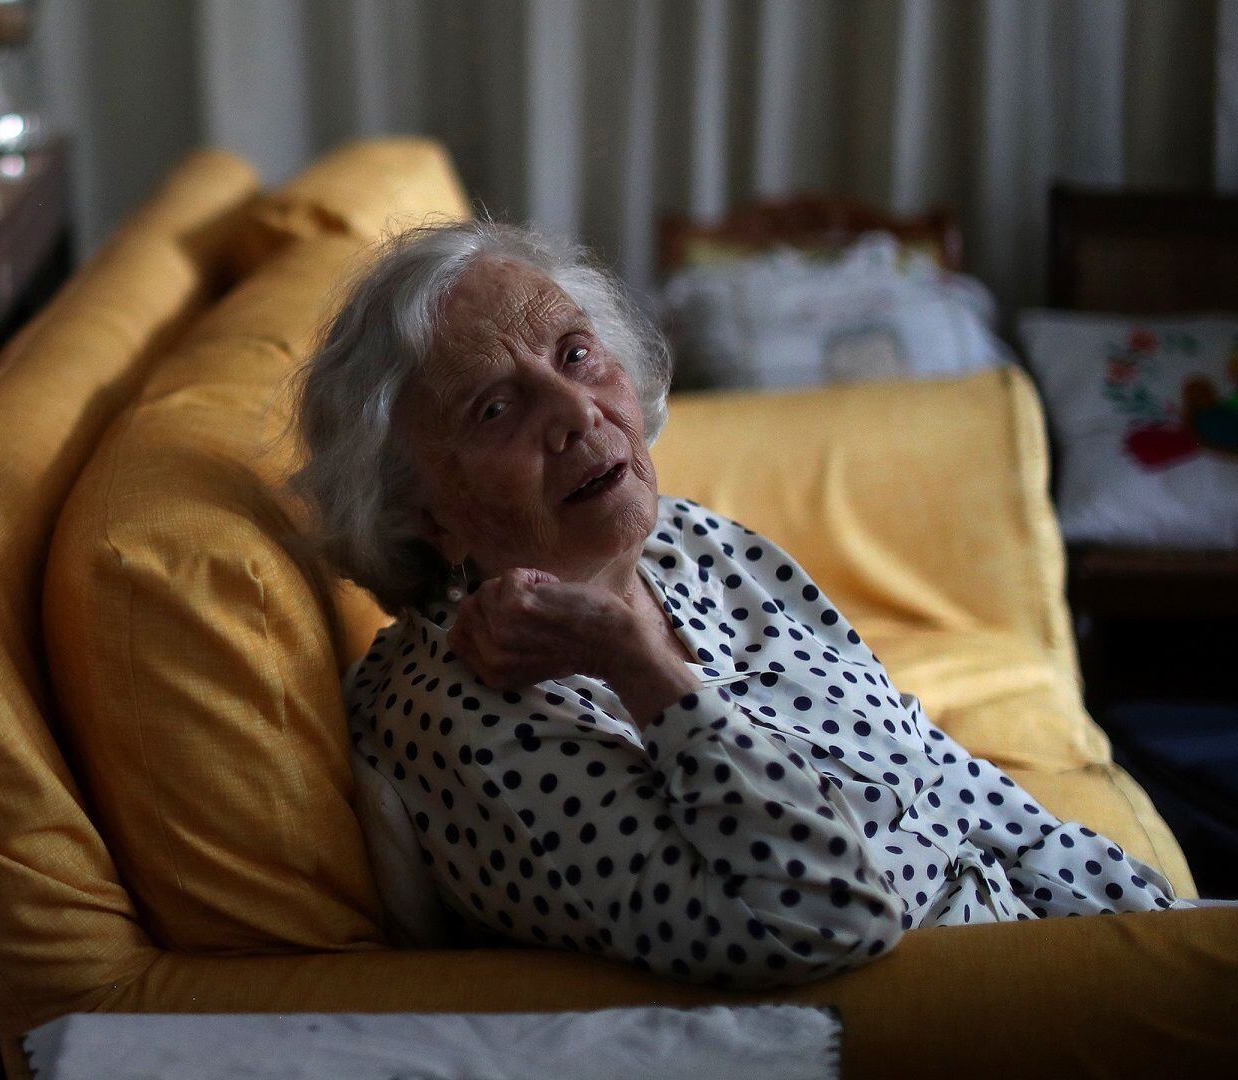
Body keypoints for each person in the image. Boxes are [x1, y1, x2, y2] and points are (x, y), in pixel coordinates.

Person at [288, 218, 1200, 990]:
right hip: (952, 1018)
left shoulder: (687, 543)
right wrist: (641, 666)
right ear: (414, 507)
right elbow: (825, 917)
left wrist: (1174, 935)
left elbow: (948, 780)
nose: (577, 412)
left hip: (1060, 960)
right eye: (495, 410)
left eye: (576, 354)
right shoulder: (461, 715)